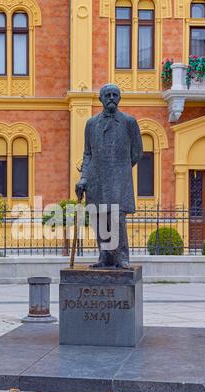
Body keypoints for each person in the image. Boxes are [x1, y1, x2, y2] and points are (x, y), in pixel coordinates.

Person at [76, 83, 143, 269]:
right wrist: (84, 178)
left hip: (119, 180)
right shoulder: (91, 124)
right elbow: (87, 153)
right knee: (100, 218)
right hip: (96, 180)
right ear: (101, 99)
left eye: (115, 94)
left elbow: (137, 152)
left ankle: (121, 257)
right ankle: (105, 256)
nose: (111, 97)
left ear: (119, 98)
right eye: (108, 95)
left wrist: (119, 169)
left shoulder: (129, 122)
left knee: (117, 219)